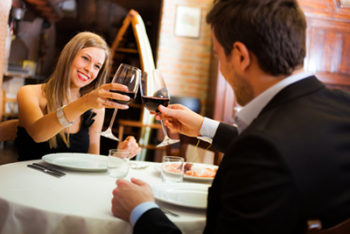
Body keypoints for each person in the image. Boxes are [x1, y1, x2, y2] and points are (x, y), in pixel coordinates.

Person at [111, 0, 350, 233]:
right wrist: (203, 127)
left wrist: (142, 210)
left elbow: (266, 150)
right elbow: (290, 147)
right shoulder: (343, 106)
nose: (221, 67)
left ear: (240, 56)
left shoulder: (260, 151)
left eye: (218, 55)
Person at [16, 31, 140, 161]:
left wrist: (118, 156)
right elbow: (38, 134)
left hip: (71, 181)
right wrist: (85, 102)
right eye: (85, 58)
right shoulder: (29, 93)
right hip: (30, 179)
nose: (89, 69)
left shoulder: (95, 108)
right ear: (69, 55)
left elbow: (93, 162)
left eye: (97, 66)